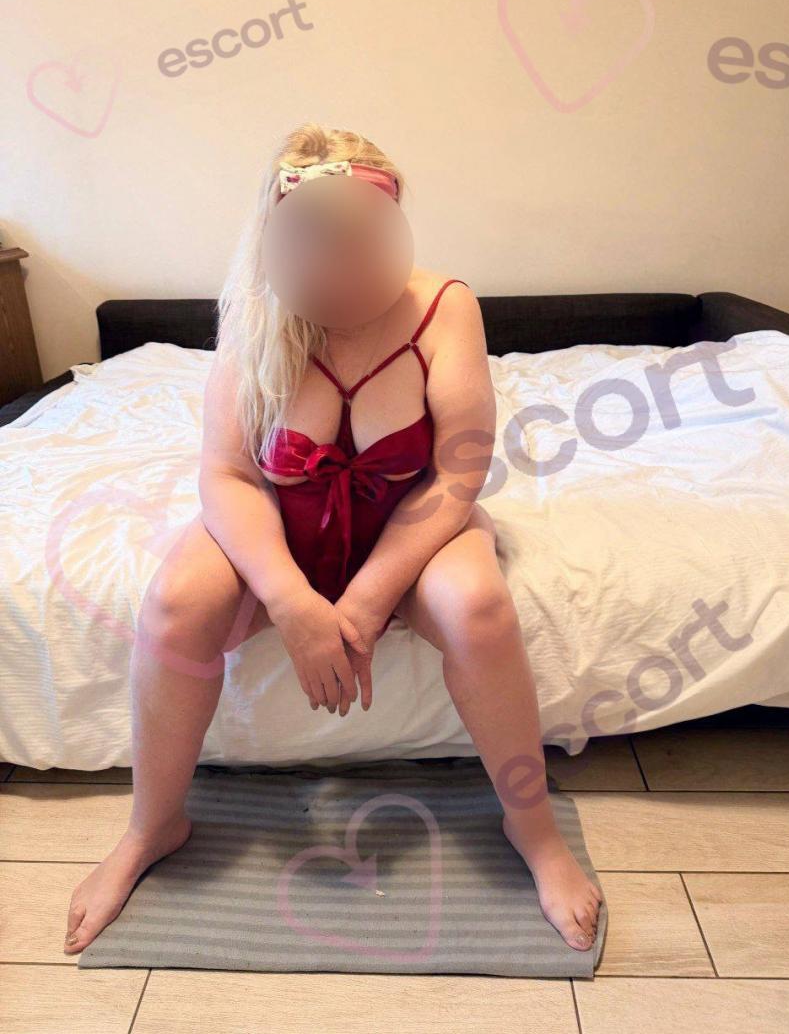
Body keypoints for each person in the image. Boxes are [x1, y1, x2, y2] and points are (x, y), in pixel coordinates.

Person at [64, 123, 602, 955]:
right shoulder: (256, 313)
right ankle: (151, 825)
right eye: (322, 247)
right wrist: (290, 600)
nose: (347, 271)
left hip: (413, 525)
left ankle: (532, 830)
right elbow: (227, 475)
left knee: (480, 606)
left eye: (364, 244)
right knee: (174, 603)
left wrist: (367, 597)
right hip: (278, 528)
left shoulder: (445, 307)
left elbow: (458, 472)